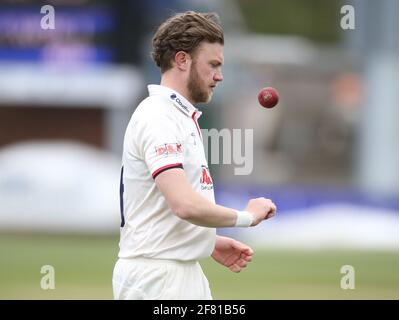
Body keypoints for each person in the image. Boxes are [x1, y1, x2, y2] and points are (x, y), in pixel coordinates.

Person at [112, 10, 277, 300]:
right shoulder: (159, 116)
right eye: (213, 64)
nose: (219, 76)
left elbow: (163, 205)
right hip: (159, 277)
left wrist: (206, 241)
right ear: (182, 60)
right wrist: (246, 217)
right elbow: (184, 204)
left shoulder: (177, 115)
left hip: (173, 271)